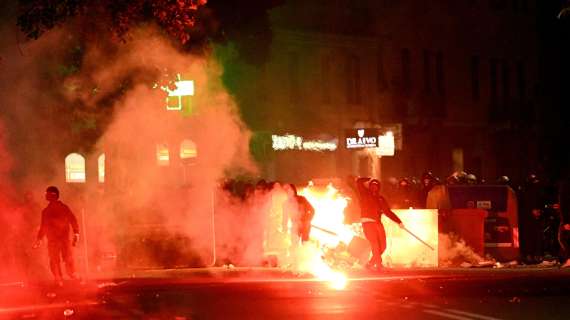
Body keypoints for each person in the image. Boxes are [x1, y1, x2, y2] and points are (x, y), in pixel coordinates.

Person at [355, 177, 404, 270]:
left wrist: (399, 222)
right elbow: (359, 182)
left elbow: (388, 212)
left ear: (378, 187)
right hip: (367, 222)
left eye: (376, 185)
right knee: (375, 243)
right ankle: (379, 264)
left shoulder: (380, 199)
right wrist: (368, 179)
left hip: (377, 222)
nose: (374, 187)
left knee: (383, 246)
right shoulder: (365, 194)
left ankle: (371, 263)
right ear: (369, 186)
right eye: (372, 185)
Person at [33, 186, 80, 285]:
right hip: (54, 240)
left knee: (66, 258)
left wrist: (76, 233)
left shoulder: (62, 208)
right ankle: (59, 278)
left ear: (53, 195)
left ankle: (70, 276)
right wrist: (39, 239)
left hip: (62, 239)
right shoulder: (46, 211)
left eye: (47, 193)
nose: (45, 195)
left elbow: (72, 220)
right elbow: (44, 227)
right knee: (55, 259)